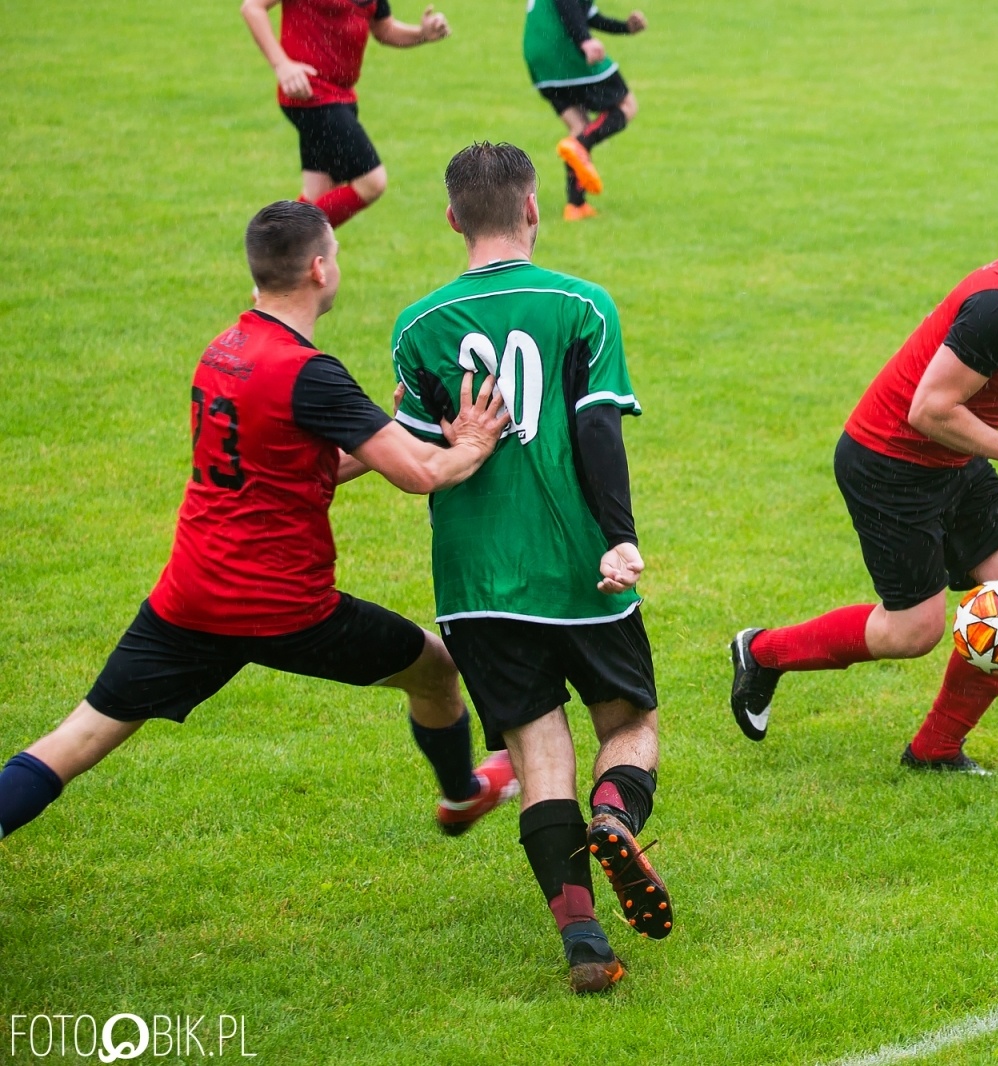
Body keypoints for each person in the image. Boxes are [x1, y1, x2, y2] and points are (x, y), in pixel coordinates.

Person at [0, 201, 518, 853]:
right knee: (436, 666)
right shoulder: (311, 374)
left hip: (188, 600)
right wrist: (470, 444)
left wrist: (388, 436)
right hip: (286, 611)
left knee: (72, 742)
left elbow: (291, 468)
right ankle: (461, 794)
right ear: (320, 269)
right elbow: (419, 475)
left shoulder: (223, 351)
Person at [729, 187, 998, 774]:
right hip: (888, 460)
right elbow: (928, 410)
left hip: (952, 457)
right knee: (913, 630)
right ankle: (763, 652)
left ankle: (936, 750)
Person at [392, 142, 669, 994]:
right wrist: (617, 537)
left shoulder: (417, 327)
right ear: (534, 209)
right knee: (629, 723)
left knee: (539, 751)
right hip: (577, 574)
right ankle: (615, 816)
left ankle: (584, 939)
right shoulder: (581, 304)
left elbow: (407, 448)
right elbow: (595, 430)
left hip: (476, 587)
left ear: (451, 219)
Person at [241, 0, 452, 229]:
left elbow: (384, 28)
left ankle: (294, 255)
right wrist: (282, 65)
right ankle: (288, 246)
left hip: (342, 96)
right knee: (372, 181)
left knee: (317, 195)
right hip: (311, 94)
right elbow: (252, 8)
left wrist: (422, 33)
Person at [521, 0, 647, 220]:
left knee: (579, 126)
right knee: (627, 105)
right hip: (563, 48)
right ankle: (580, 144)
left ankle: (576, 206)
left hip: (538, 56)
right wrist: (585, 40)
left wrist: (625, 27)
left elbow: (587, 15)